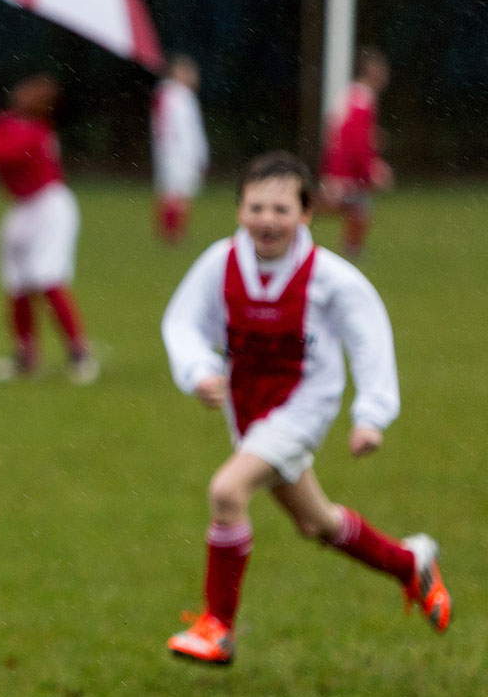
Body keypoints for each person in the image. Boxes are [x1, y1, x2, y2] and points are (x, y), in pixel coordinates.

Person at [160, 152, 449, 665]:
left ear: (307, 213)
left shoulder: (329, 277)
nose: (267, 220)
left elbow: (370, 338)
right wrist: (198, 370)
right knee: (317, 523)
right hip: (249, 413)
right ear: (238, 210)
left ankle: (217, 627)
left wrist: (372, 414)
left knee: (227, 491)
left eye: (281, 209)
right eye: (256, 208)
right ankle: (410, 563)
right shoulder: (220, 263)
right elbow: (182, 323)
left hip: (304, 408)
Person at [0, 75, 96, 384]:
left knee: (49, 278)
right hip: (24, 207)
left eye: (35, 93)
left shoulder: (37, 131)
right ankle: (26, 356)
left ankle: (80, 352)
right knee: (17, 283)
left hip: (49, 206)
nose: (24, 93)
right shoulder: (11, 121)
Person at [319, 48, 393, 257]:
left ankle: (351, 250)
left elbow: (342, 131)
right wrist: (370, 168)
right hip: (347, 167)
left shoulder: (353, 94)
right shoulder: (363, 99)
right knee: (353, 206)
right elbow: (355, 139)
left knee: (354, 206)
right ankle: (351, 250)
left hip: (340, 163)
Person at [151, 54, 209, 244]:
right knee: (175, 193)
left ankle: (174, 232)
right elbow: (172, 129)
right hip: (176, 152)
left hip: (180, 152)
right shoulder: (174, 95)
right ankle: (172, 233)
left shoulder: (179, 96)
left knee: (177, 192)